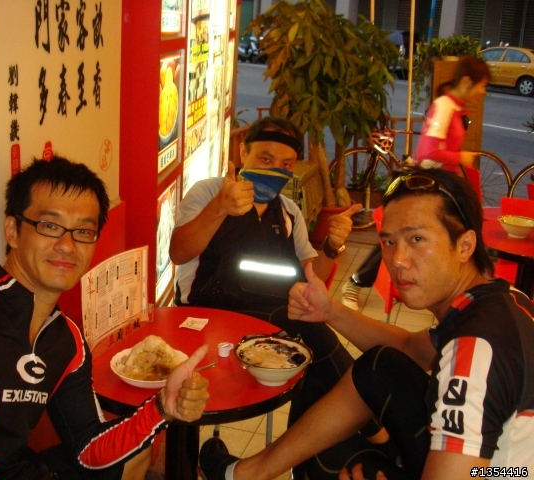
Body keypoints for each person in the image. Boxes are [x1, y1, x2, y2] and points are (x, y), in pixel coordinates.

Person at [199, 168, 534, 480]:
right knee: (379, 365)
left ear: (465, 246)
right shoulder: (503, 301)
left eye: (417, 239)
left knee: (330, 459)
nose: (397, 260)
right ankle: (245, 473)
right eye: (389, 242)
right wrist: (327, 311)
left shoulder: (474, 352)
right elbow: (408, 348)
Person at [0, 157, 210, 480]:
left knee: (136, 453)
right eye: (49, 225)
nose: (67, 246)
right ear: (12, 231)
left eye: (83, 231)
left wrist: (162, 407)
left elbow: (88, 447)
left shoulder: (67, 342)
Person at [171, 117, 395, 479]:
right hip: (208, 318)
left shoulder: (288, 211)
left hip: (270, 322)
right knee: (308, 331)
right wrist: (219, 208)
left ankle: (295, 468)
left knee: (313, 361)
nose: (274, 170)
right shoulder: (208, 193)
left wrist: (332, 245)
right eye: (265, 158)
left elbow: (312, 281)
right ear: (243, 152)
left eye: (285, 164)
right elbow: (178, 252)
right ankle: (379, 432)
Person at [342, 56, 491, 310]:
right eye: (482, 85)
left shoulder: (454, 107)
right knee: (400, 238)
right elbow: (428, 152)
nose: (483, 92)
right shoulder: (444, 106)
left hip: (442, 189)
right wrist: (460, 157)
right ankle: (355, 283)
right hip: (427, 190)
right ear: (467, 82)